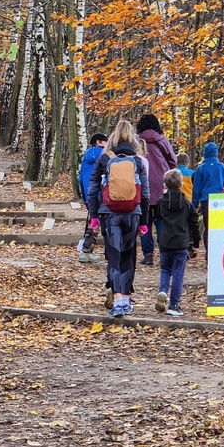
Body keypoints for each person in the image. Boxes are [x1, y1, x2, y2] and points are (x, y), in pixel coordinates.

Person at [87, 120, 150, 317]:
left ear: (113, 137)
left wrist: (94, 215)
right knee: (128, 256)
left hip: (110, 213)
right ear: (133, 138)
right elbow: (146, 194)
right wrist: (144, 222)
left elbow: (93, 188)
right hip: (133, 213)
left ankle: (117, 301)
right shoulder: (138, 161)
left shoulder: (105, 159)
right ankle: (126, 300)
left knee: (113, 256)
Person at [154, 169, 201, 317]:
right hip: (181, 242)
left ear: (165, 184)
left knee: (165, 269)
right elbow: (194, 224)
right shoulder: (187, 204)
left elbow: (157, 220)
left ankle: (162, 290)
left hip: (166, 241)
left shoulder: (161, 203)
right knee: (178, 273)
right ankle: (174, 304)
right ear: (181, 184)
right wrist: (195, 244)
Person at [135, 114, 177, 265]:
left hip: (142, 186)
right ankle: (164, 253)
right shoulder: (162, 140)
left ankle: (148, 254)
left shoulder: (137, 142)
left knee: (145, 221)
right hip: (161, 187)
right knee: (161, 221)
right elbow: (173, 160)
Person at [191, 142, 224, 254]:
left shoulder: (200, 169)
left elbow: (196, 189)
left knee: (208, 228)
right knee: (220, 228)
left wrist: (194, 205)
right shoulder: (222, 167)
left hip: (206, 201)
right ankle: (220, 252)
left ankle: (210, 255)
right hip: (221, 201)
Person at [78, 132, 108, 262]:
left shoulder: (87, 156)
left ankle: (86, 250)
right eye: (105, 141)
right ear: (99, 142)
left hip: (90, 194)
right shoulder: (105, 156)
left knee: (93, 222)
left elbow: (81, 178)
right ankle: (108, 252)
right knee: (106, 223)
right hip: (101, 193)